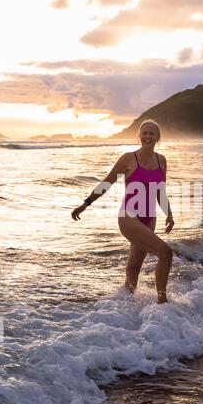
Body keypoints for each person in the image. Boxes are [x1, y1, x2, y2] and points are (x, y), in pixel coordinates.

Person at [71, 119, 174, 304]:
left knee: (134, 268)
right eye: (145, 133)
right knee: (165, 252)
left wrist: (169, 214)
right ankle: (163, 303)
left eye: (152, 133)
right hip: (129, 217)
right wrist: (86, 203)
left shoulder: (162, 160)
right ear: (139, 136)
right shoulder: (129, 158)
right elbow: (107, 182)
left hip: (149, 218)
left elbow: (160, 190)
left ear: (158, 137)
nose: (148, 136)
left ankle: (124, 308)